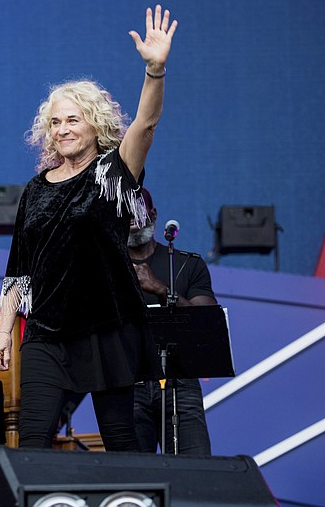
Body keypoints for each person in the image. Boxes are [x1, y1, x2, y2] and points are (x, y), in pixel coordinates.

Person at [0, 4, 178, 451]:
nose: (62, 129)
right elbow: (19, 270)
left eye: (72, 119)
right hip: (46, 333)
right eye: (55, 123)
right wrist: (1, 334)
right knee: (32, 439)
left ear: (96, 124)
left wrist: (155, 70)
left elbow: (146, 125)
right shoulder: (34, 189)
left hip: (107, 327)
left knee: (120, 438)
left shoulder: (112, 173)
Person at [129, 187, 214, 455]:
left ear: (152, 214)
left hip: (180, 384)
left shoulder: (187, 265)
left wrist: (161, 289)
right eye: (122, 211)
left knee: (194, 474)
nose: (130, 216)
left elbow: (207, 328)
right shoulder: (104, 269)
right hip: (127, 386)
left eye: (137, 209)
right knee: (132, 483)